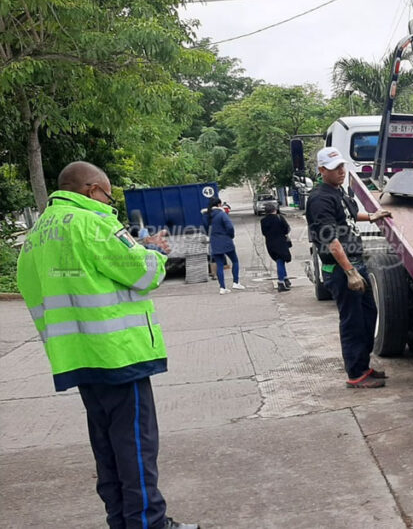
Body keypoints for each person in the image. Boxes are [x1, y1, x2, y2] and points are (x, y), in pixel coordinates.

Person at [16, 162, 199, 529]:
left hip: (78, 358)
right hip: (118, 354)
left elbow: (43, 284)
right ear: (89, 189)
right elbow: (144, 273)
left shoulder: (37, 234)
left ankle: (121, 520)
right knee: (135, 447)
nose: (109, 201)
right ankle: (149, 523)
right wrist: (157, 252)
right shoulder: (93, 222)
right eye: (107, 193)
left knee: (108, 450)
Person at [306, 147, 392, 388]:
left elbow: (350, 216)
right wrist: (350, 272)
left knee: (368, 316)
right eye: (335, 169)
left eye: (342, 167)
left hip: (356, 263)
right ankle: (355, 375)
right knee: (352, 322)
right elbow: (330, 238)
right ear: (322, 171)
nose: (341, 172)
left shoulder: (339, 192)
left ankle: (363, 366)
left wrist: (373, 216)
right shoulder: (320, 199)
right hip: (342, 271)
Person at [206, 197, 244, 295]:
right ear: (219, 204)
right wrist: (230, 235)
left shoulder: (207, 216)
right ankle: (236, 282)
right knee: (235, 261)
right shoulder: (222, 214)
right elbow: (230, 227)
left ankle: (222, 288)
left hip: (214, 242)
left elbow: (206, 229)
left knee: (219, 265)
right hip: (226, 241)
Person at [260, 204, 292, 292]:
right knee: (280, 261)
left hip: (270, 243)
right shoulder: (279, 218)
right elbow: (287, 229)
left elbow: (264, 233)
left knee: (280, 261)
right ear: (275, 210)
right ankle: (281, 282)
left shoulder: (263, 221)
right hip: (280, 243)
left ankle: (285, 278)